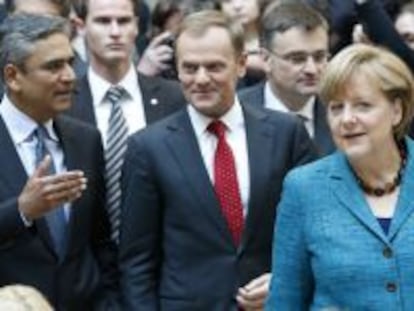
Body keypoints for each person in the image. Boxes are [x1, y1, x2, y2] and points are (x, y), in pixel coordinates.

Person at [119, 10, 317, 310]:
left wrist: (286, 279)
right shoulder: (148, 148)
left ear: (240, 64)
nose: (201, 79)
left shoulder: (286, 133)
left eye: (214, 67)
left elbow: (314, 230)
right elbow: (137, 261)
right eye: (189, 68)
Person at [265, 43, 414, 309]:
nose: (346, 119)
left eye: (362, 106)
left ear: (397, 111)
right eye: (336, 107)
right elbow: (284, 300)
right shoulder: (304, 187)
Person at [0, 13, 118, 310]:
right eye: (53, 67)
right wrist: (22, 211)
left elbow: (99, 240)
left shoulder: (86, 139)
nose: (69, 76)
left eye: (69, 62)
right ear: (13, 76)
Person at [66, 0, 186, 241]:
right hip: (88, 259)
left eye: (123, 21)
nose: (115, 32)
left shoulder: (175, 98)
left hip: (161, 252)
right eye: (102, 21)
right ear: (80, 27)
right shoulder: (63, 103)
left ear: (136, 25)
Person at [239, 2, 335, 156]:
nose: (312, 69)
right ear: (266, 59)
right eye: (298, 59)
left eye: (319, 57)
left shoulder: (340, 111)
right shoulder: (238, 111)